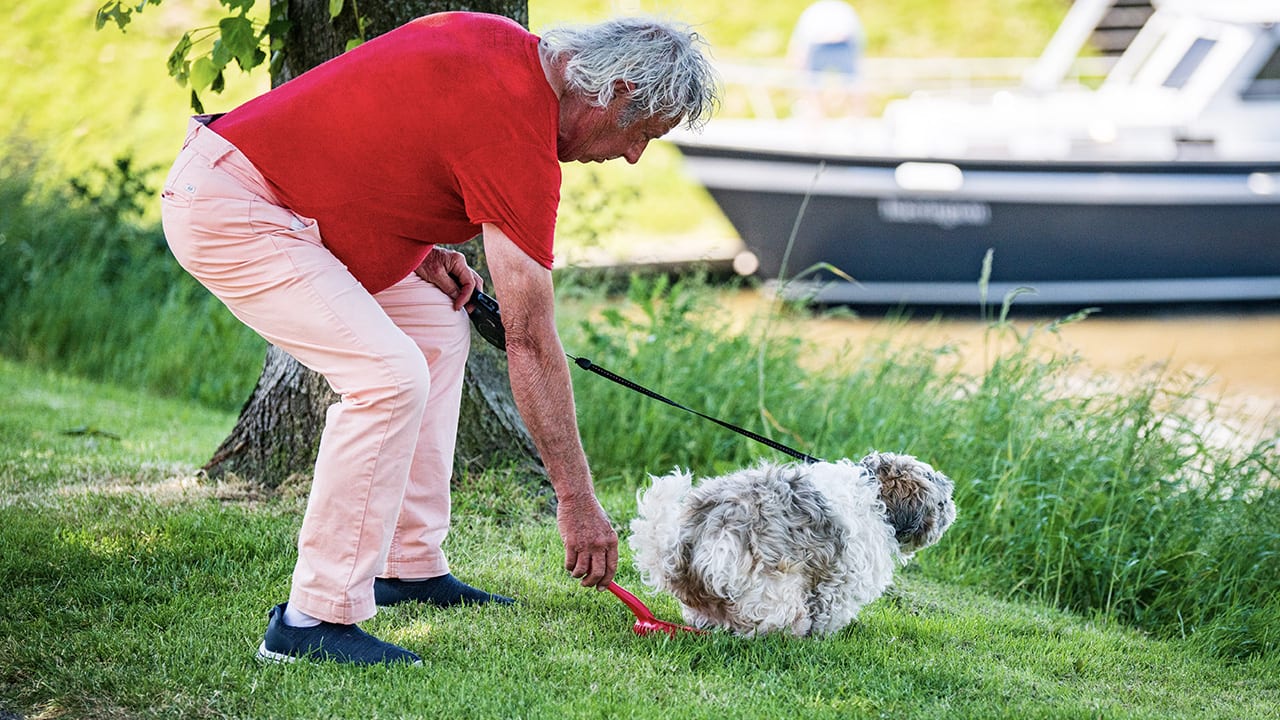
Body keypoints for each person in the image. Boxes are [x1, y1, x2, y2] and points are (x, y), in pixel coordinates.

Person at [159, 11, 718, 666]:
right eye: (641, 134)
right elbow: (530, 339)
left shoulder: (495, 41)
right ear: (615, 92)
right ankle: (311, 621)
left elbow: (377, 135)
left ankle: (409, 564)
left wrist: (417, 250)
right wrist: (577, 501)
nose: (630, 156)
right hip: (237, 206)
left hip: (278, 198)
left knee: (435, 325)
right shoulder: (517, 139)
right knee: (388, 378)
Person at [787, 0, 866, 116]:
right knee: (813, 89)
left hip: (840, 45)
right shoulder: (819, 10)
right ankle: (815, 123)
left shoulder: (839, 9)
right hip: (822, 46)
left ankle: (855, 120)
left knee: (852, 88)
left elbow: (857, 37)